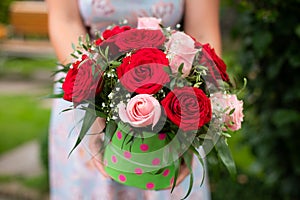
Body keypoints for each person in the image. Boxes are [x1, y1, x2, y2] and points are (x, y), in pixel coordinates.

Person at [46, 0, 222, 199]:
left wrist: (189, 129)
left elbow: (202, 33)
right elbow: (65, 21)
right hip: (86, 100)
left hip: (173, 103)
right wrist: (94, 101)